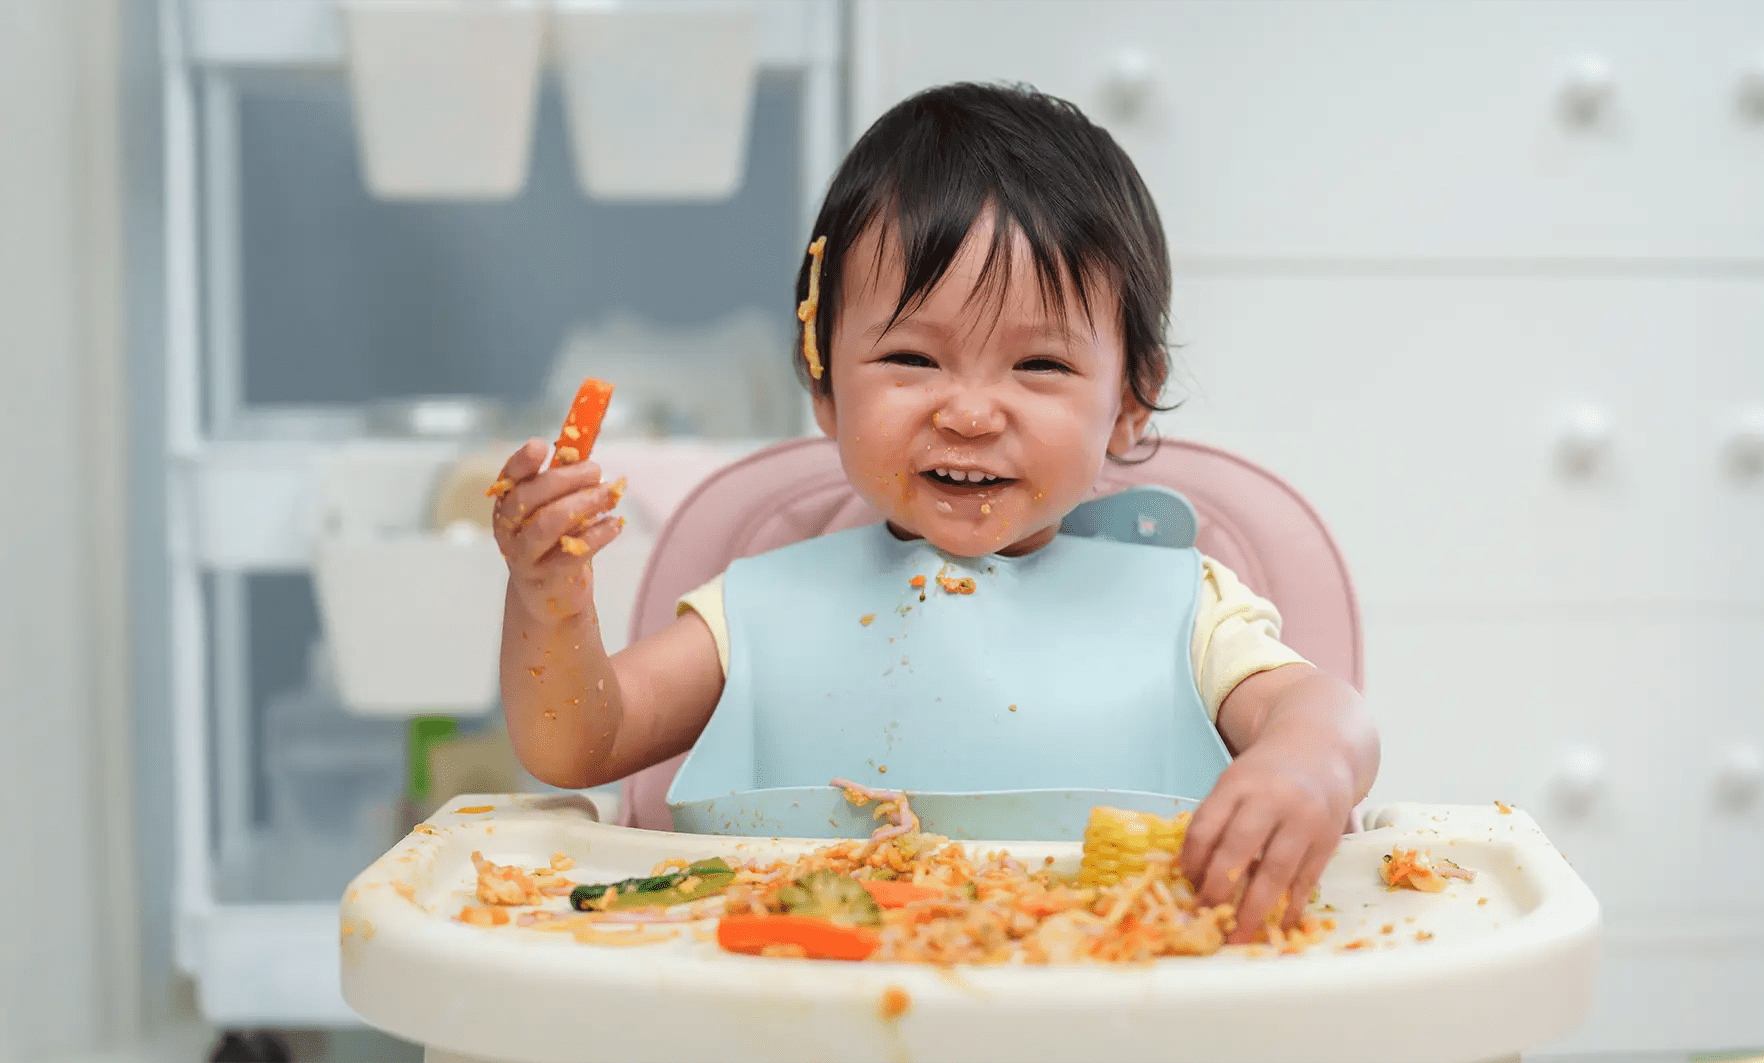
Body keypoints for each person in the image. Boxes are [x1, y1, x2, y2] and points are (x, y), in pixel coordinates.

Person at [487, 82, 1378, 941]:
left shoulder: (1189, 610)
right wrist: (549, 600)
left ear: (1132, 401)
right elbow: (582, 741)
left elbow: (1321, 710)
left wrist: (1303, 766)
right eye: (913, 357)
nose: (971, 411)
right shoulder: (759, 607)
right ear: (826, 387)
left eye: (1041, 366)